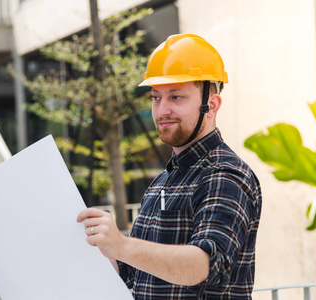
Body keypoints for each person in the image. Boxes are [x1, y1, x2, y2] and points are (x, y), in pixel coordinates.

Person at [77, 33, 262, 299]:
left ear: (210, 105)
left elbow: (204, 265)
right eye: (155, 97)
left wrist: (121, 245)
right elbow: (130, 272)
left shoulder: (225, 175)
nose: (162, 110)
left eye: (176, 97)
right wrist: (97, 246)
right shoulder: (162, 183)